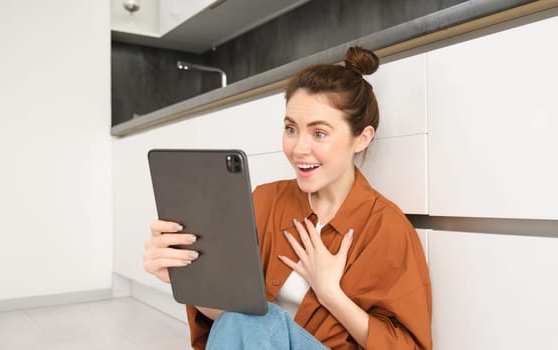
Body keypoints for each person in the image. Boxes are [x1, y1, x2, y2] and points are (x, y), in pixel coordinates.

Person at [144, 46, 433, 349]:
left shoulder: (385, 227)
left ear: (362, 138)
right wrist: (188, 279)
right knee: (243, 318)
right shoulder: (264, 201)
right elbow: (232, 322)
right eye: (291, 129)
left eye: (319, 133)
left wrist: (330, 293)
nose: (299, 148)